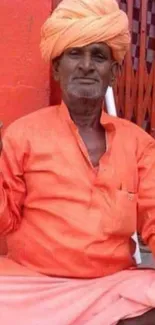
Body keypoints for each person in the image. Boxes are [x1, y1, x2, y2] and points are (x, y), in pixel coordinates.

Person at [0, 0, 155, 324]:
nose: (86, 65)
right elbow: (5, 221)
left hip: (110, 286)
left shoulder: (140, 145)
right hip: (30, 286)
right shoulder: (22, 135)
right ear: (57, 68)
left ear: (113, 73)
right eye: (75, 54)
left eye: (98, 56)